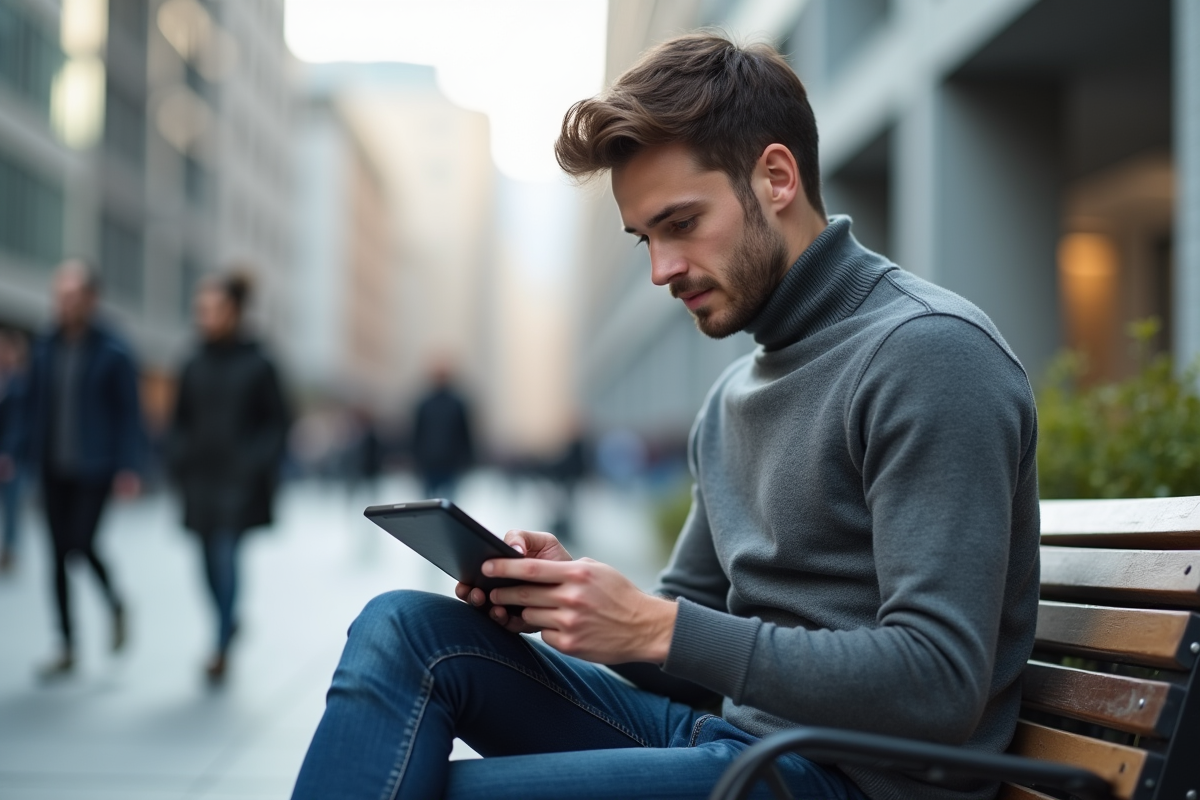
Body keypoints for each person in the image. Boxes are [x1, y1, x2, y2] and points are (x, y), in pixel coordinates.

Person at [291, 34, 1039, 800]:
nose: (661, 269)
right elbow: (683, 647)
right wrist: (575, 601)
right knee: (402, 628)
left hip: (851, 780)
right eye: (646, 237)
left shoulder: (929, 354)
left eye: (681, 223)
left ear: (776, 178)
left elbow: (941, 683)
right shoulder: (734, 396)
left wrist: (656, 626)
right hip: (734, 741)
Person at [0, 260, 143, 679]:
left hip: (95, 466)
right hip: (51, 465)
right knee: (57, 556)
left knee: (79, 542)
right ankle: (66, 644)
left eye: (72, 296)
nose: (63, 303)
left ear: (91, 299)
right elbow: (28, 407)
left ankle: (115, 602)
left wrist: (129, 466)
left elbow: (128, 414)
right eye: (59, 296)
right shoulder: (44, 347)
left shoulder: (114, 351)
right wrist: (13, 450)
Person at [165, 272, 290, 684]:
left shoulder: (259, 362)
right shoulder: (192, 362)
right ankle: (227, 619)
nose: (205, 316)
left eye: (214, 309)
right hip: (199, 479)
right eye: (201, 309)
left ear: (234, 312)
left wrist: (253, 463)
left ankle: (219, 645)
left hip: (238, 482)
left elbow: (277, 422)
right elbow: (179, 419)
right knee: (203, 563)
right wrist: (179, 455)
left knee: (225, 555)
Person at [410, 362, 474, 500]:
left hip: (449, 463)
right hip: (429, 462)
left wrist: (466, 458)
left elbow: (464, 433)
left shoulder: (456, 404)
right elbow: (416, 434)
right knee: (428, 502)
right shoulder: (425, 404)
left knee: (448, 502)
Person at [0, 329, 29, 572]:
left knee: (11, 506)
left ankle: (10, 550)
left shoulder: (19, 385)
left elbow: (19, 424)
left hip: (12, 458)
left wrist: (8, 453)